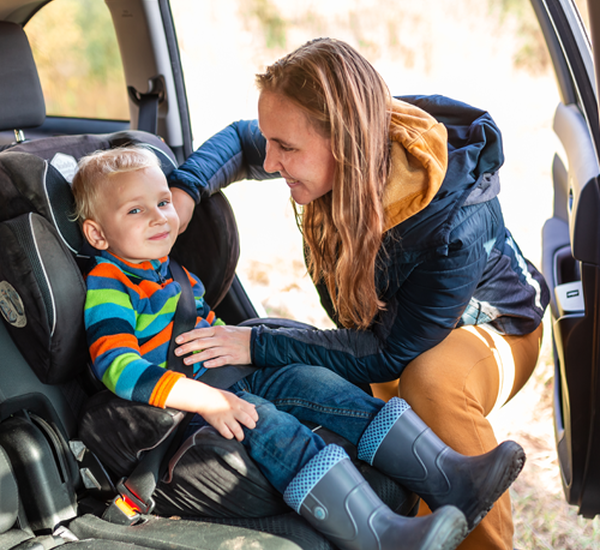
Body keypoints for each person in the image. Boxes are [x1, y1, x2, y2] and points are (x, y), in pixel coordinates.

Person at [166, 38, 550, 550]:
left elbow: (389, 352)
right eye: (270, 142)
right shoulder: (339, 155)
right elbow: (240, 142)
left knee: (429, 382)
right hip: (394, 334)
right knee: (331, 395)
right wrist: (186, 190)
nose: (271, 160)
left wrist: (254, 345)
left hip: (493, 330)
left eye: (287, 148)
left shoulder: (453, 221)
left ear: (342, 143)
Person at [72, 145, 526, 550]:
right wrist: (207, 399)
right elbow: (119, 368)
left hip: (226, 374)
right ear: (97, 235)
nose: (158, 217)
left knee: (323, 386)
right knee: (276, 428)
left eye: (163, 202)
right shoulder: (110, 283)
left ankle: (449, 475)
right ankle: (381, 536)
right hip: (186, 403)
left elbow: (207, 331)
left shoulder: (176, 274)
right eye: (135, 211)